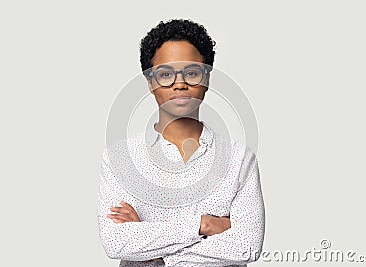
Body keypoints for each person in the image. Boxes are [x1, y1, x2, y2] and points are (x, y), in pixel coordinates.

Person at [97, 19, 265, 266]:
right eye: (165, 74)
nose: (180, 83)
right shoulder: (119, 158)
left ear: (206, 79)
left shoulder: (239, 159)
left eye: (192, 72)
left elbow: (247, 247)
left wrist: (152, 248)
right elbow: (116, 242)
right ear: (150, 82)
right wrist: (204, 225)